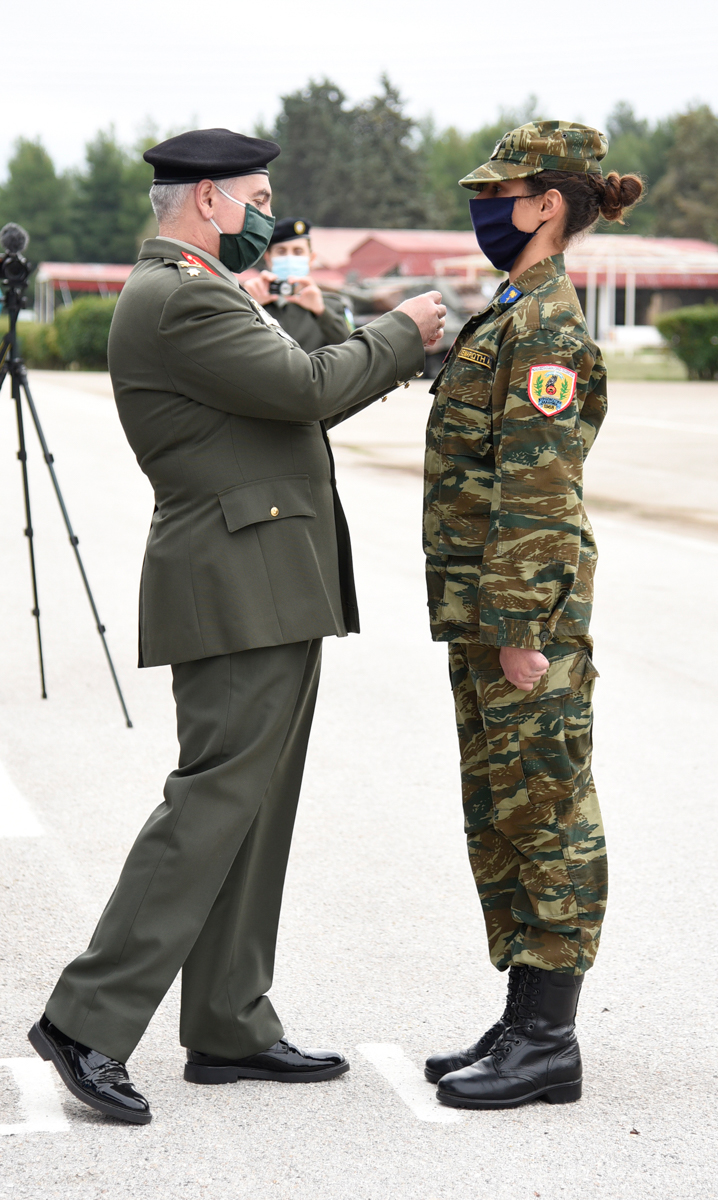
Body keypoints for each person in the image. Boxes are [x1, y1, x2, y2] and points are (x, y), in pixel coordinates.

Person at [27, 127, 445, 1125]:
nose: (267, 211)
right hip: (234, 579)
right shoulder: (181, 296)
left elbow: (287, 399)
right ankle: (87, 1020)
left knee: (252, 813)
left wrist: (357, 344)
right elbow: (308, 390)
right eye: (256, 193)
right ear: (209, 199)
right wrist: (405, 331)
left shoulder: (201, 293)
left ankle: (228, 1021)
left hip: (265, 576)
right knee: (211, 805)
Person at [421, 121, 642, 1109]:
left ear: (547, 203)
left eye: (499, 192)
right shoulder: (514, 310)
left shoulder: (547, 326)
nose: (484, 209)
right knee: (504, 807)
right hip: (485, 607)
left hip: (520, 615)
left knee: (546, 807)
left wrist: (520, 627)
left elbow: (540, 489)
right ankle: (523, 1020)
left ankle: (550, 1041)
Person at [242, 217, 353, 353]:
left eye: (298, 252)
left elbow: (352, 353)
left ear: (311, 259)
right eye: (281, 252)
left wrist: (322, 313)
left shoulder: (332, 306)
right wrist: (248, 304)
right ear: (268, 258)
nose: (289, 258)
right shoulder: (253, 300)